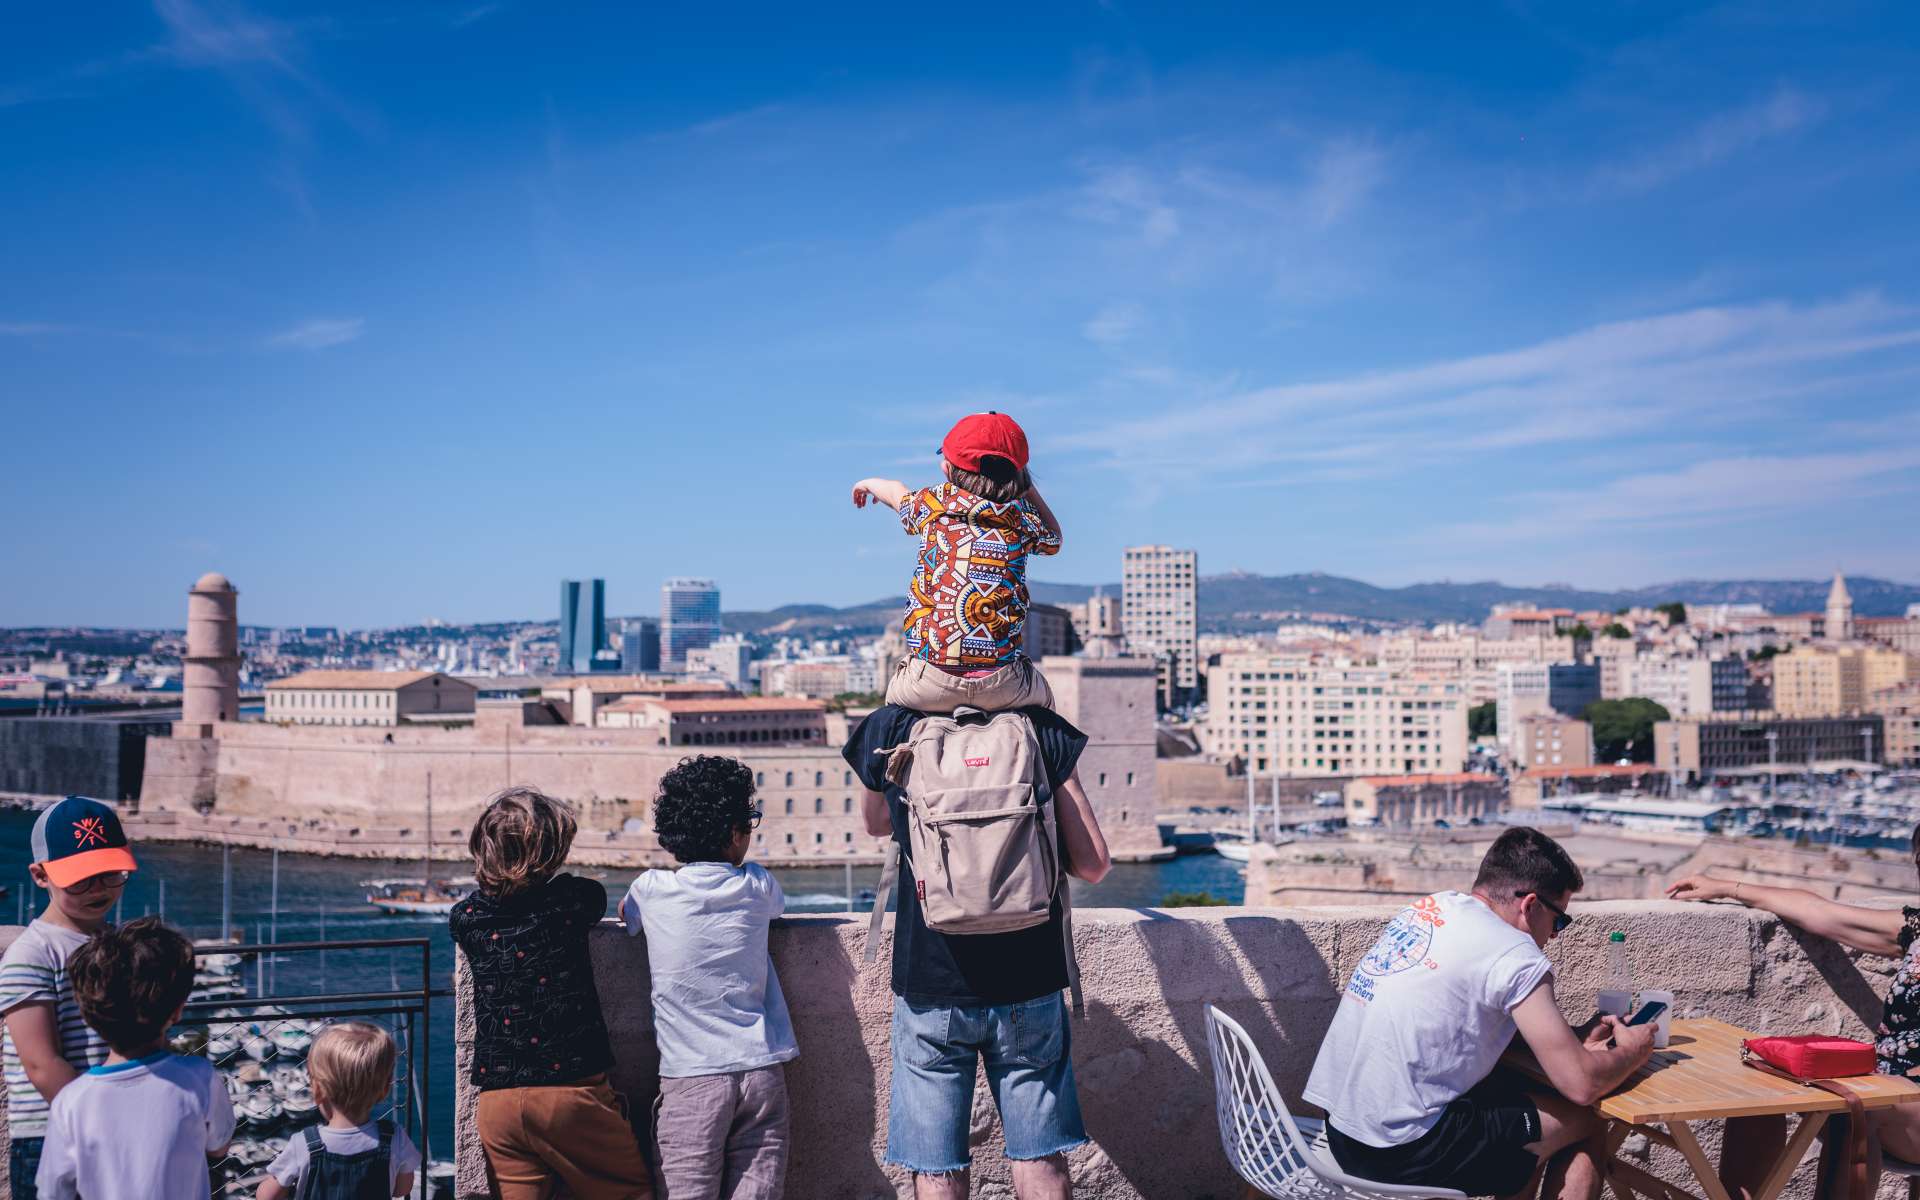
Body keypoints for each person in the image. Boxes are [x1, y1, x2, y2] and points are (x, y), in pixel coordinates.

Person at [845, 701, 1112, 1200]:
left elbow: (877, 824)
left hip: (931, 982)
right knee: (1039, 1157)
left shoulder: (892, 726)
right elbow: (1094, 864)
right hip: (1030, 978)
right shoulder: (1039, 728)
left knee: (937, 1168)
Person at [1304, 827, 1655, 1200]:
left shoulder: (1431, 909)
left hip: (1343, 1132)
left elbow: (1458, 1021)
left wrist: (1573, 1040)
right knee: (1588, 1118)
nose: (1555, 935)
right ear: (1530, 905)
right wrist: (1633, 1051)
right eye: (1560, 921)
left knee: (1525, 1126)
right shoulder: (1515, 954)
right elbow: (1581, 1085)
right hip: (1400, 1151)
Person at [449, 786, 654, 1200]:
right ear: (549, 856)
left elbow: (479, 907)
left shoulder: (467, 920)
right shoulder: (569, 903)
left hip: (498, 1102)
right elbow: (594, 895)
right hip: (570, 1094)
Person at [1669, 852, 1920, 1190]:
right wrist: (1726, 887)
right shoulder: (1914, 929)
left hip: (1901, 1099)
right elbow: (1820, 912)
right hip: (1883, 1082)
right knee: (1762, 1085)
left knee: (1854, 1109)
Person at [619, 755, 799, 1200]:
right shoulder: (758, 885)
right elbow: (777, 910)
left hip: (692, 1078)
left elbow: (627, 917)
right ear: (735, 833)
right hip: (760, 1071)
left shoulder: (650, 890)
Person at [851, 410, 1064, 714]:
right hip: (1003, 684)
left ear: (947, 469)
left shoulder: (933, 505)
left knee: (886, 725)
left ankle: (888, 761)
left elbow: (895, 491)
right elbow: (1055, 538)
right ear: (1020, 475)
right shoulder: (1021, 521)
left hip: (929, 682)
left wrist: (867, 483)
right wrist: (1027, 490)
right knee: (1054, 732)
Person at [35, 917, 234, 1200]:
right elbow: (219, 1145)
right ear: (176, 1011)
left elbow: (54, 1190)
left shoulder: (71, 1102)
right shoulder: (199, 1078)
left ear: (88, 1017)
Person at [0, 796, 139, 1200]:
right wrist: (103, 1123)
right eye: (80, 878)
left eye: (109, 873)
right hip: (54, 1133)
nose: (98, 888)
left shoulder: (113, 942)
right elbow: (41, 1063)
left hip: (111, 1125)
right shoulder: (33, 953)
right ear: (40, 875)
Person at [258, 1021, 422, 1199]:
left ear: (318, 1091)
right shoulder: (395, 1138)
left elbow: (266, 1196)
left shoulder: (303, 1144)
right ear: (383, 1090)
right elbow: (402, 1189)